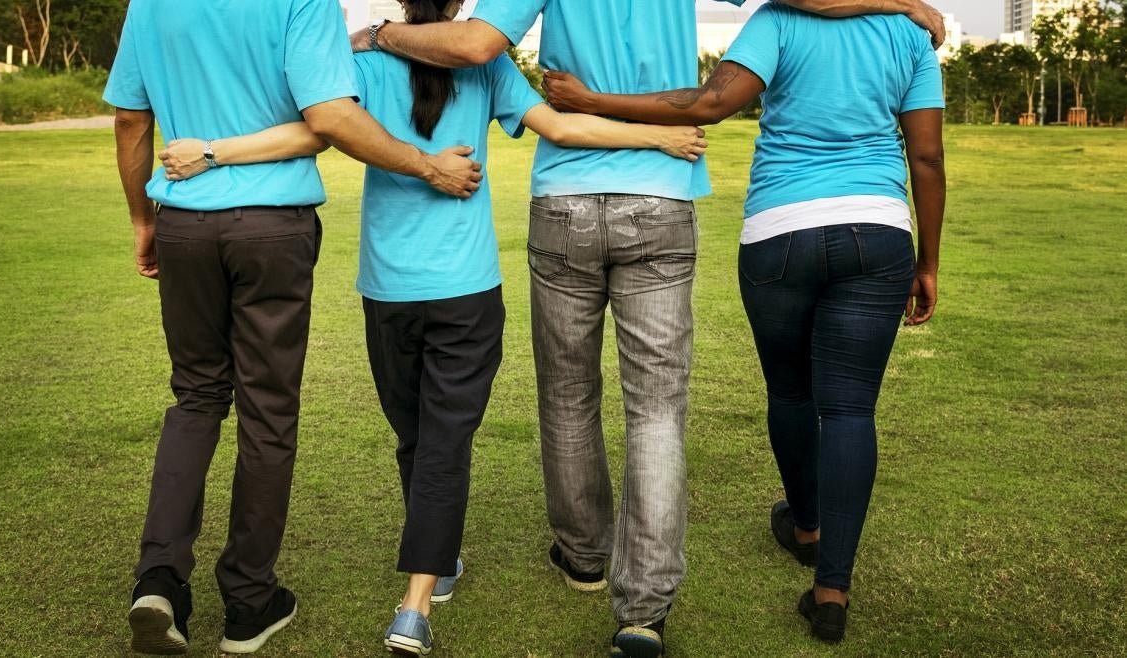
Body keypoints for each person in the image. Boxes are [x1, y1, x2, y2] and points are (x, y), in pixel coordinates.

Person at [350, 0, 945, 655]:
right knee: (657, 409)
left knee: (568, 392)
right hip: (661, 196)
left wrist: (382, 33)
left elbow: (473, 45)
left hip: (564, 200)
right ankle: (644, 607)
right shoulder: (868, 29)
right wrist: (902, 3)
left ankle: (583, 555)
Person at [155, 0, 705, 653]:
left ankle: (427, 583)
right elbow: (559, 126)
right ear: (455, 12)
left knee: (417, 436)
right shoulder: (489, 65)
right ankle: (425, 583)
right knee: (439, 442)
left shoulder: (362, 60)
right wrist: (660, 136)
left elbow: (321, 123)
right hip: (466, 289)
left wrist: (215, 146)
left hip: (389, 289)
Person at [544, 0, 945, 644]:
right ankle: (831, 590)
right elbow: (926, 157)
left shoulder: (778, 20)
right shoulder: (911, 35)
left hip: (780, 229)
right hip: (879, 229)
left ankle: (807, 526)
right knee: (849, 411)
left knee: (790, 390)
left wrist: (594, 99)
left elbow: (708, 104)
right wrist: (927, 261)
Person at [104, 0, 484, 654]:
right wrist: (426, 166)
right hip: (272, 227)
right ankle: (250, 603)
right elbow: (329, 119)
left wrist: (143, 219)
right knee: (267, 412)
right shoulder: (303, 2)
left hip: (184, 224)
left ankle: (160, 578)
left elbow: (132, 120)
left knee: (195, 398)